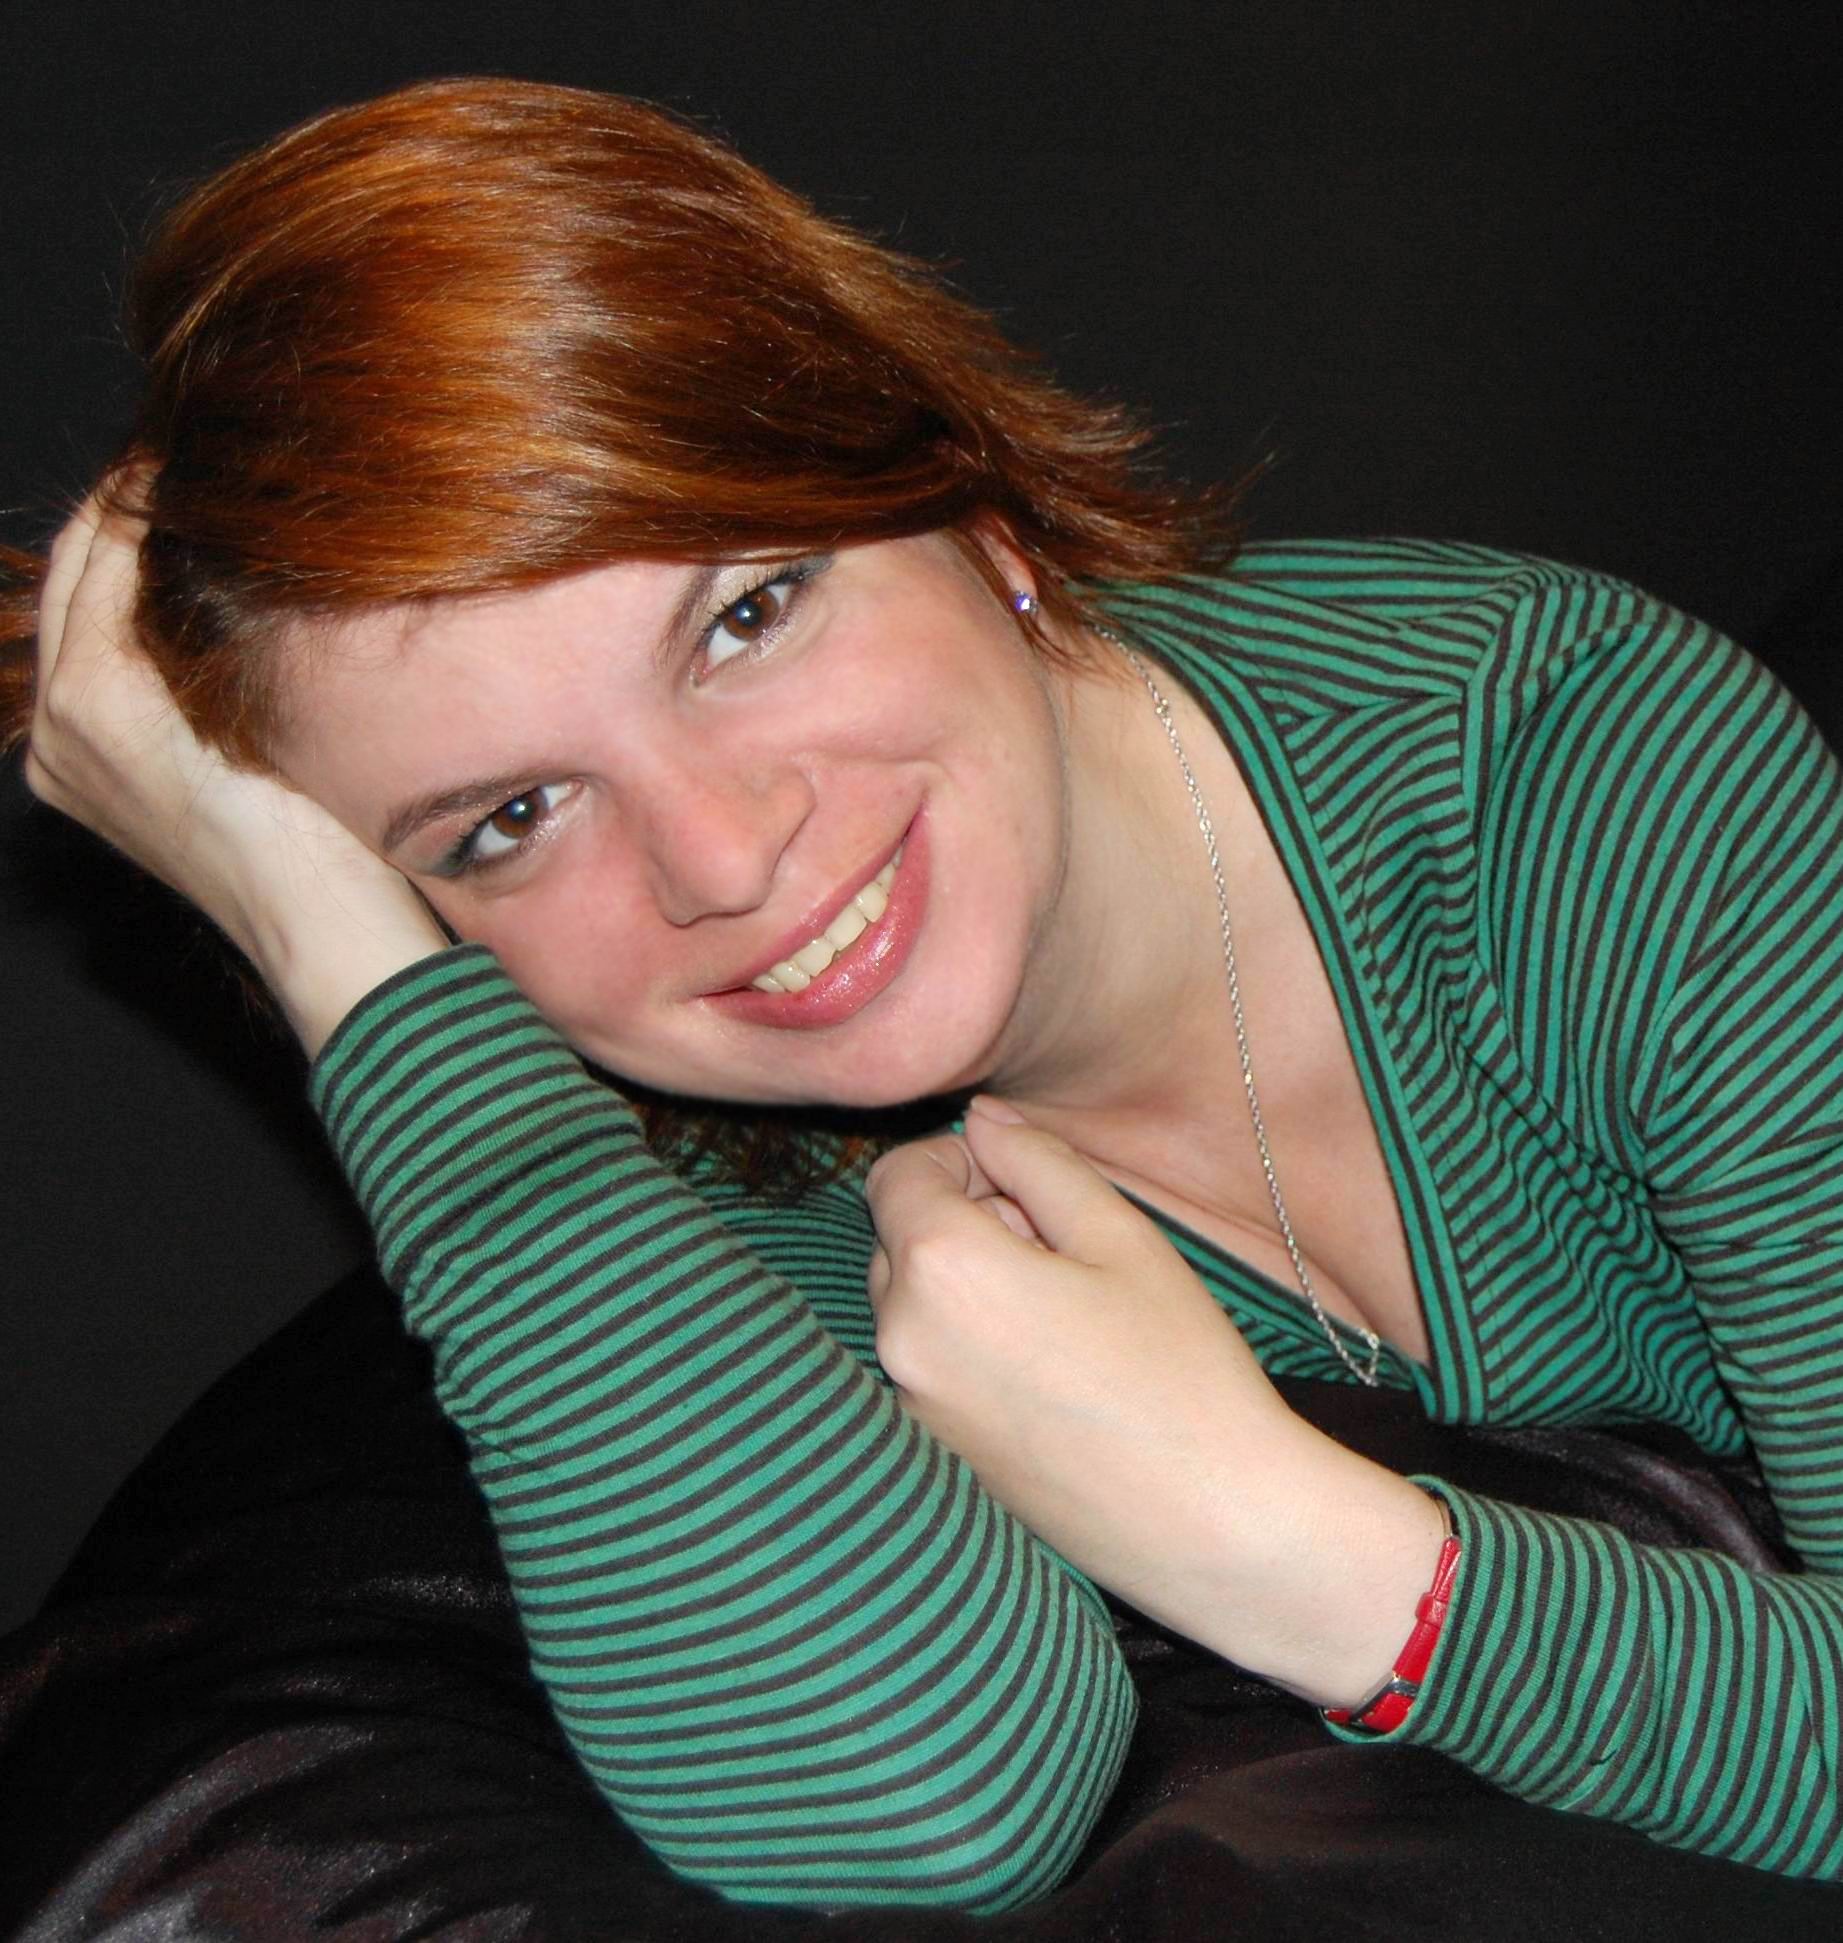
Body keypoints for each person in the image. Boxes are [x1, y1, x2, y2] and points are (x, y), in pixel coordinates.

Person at [5, 76, 1842, 1912]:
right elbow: (926, 1808)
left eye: (747, 617)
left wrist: (1259, 1528)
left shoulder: (1578, 776)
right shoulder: (699, 1137)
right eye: (511, 819)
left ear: (974, 506)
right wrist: (325, 945)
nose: (721, 861)